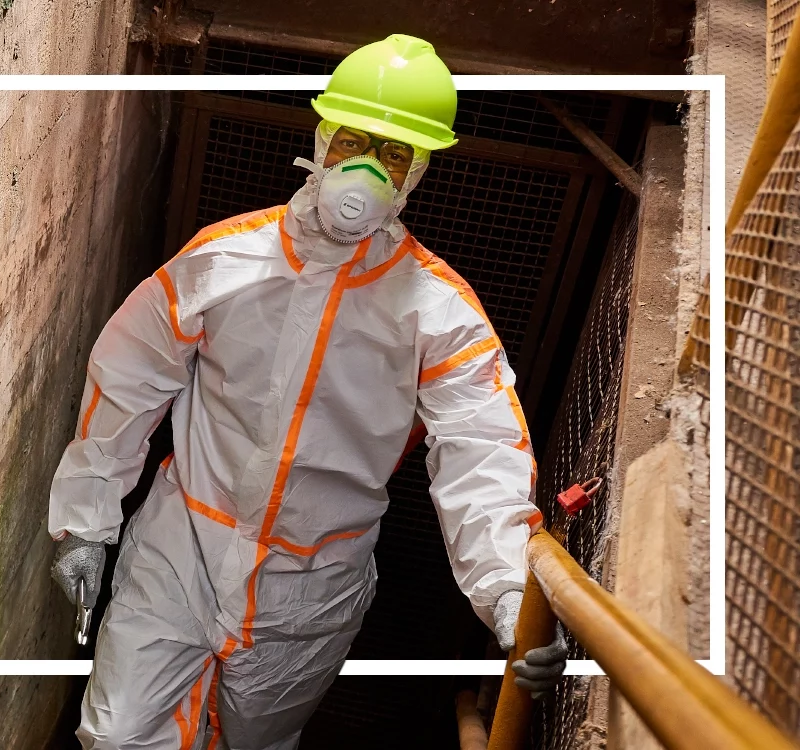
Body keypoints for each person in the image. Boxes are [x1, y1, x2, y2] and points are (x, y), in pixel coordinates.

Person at [47, 34, 568, 749]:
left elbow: (482, 449)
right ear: (322, 139)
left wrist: (513, 596)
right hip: (184, 549)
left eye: (392, 155)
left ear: (416, 173)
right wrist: (86, 520)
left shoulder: (439, 312)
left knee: (256, 742)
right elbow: (130, 376)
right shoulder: (224, 259)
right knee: (118, 735)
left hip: (312, 584)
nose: (365, 170)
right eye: (354, 140)